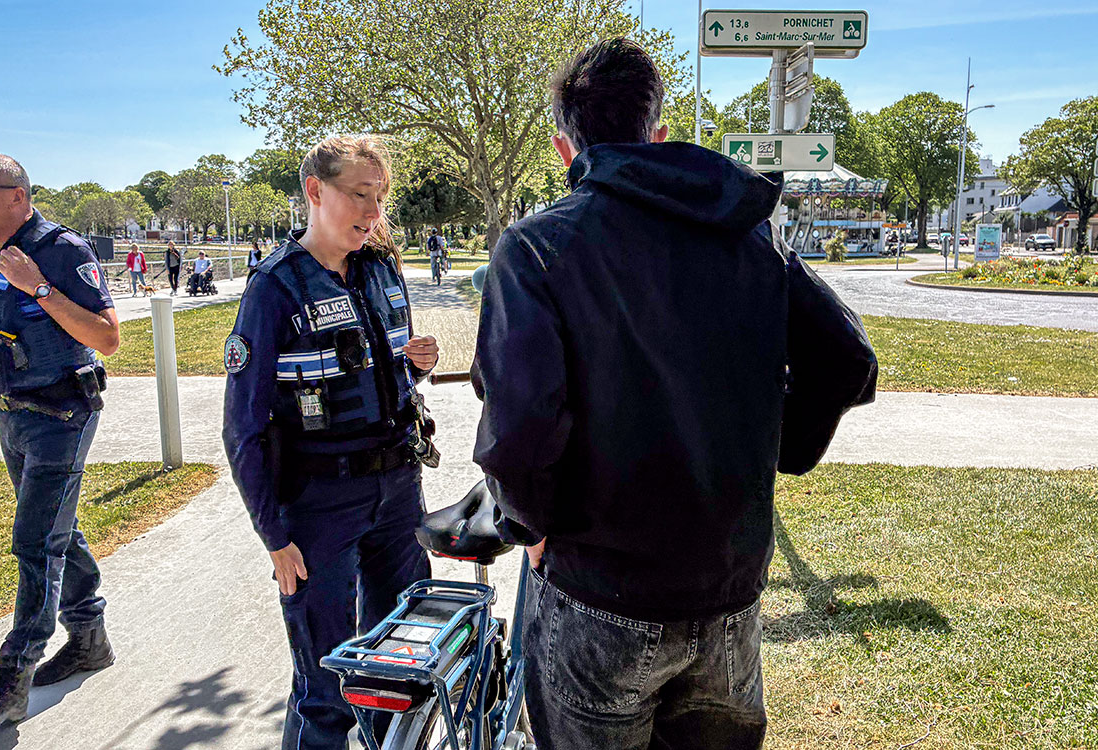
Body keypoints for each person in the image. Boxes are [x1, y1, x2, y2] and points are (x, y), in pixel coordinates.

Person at [470, 39, 877, 750]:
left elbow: (518, 431)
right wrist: (777, 448)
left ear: (564, 147)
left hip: (600, 598)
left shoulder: (536, 247)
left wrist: (530, 529)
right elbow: (847, 359)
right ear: (658, 134)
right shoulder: (750, 236)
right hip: (728, 595)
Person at [223, 134, 441, 750]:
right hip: (319, 505)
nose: (374, 214)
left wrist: (415, 364)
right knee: (325, 686)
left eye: (381, 198)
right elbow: (243, 425)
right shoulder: (276, 288)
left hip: (398, 493)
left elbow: (381, 369)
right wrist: (274, 536)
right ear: (316, 192)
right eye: (361, 196)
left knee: (397, 667)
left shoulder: (380, 267)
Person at [0, 154, 120, 727]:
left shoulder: (62, 250)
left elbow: (107, 337)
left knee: (36, 542)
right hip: (9, 412)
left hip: (61, 411)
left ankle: (12, 677)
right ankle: (90, 637)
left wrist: (37, 285)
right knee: (56, 528)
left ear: (16, 194)